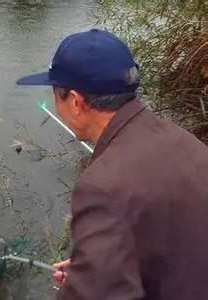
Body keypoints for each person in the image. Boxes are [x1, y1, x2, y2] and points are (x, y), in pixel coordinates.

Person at [16, 28, 208, 299]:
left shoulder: (101, 187)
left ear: (75, 101)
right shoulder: (184, 141)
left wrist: (89, 283)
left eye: (54, 93)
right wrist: (96, 265)